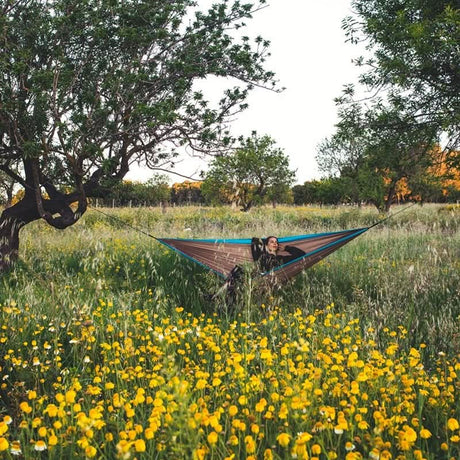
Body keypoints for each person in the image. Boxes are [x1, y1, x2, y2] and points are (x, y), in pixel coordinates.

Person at [206, 235, 305, 305]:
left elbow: (302, 255)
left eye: (276, 242)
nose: (275, 244)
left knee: (237, 274)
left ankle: (218, 297)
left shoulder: (281, 259)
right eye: (272, 242)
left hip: (269, 277)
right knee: (237, 271)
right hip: (256, 276)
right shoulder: (261, 256)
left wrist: (287, 247)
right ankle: (220, 297)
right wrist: (263, 243)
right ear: (266, 245)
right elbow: (254, 240)